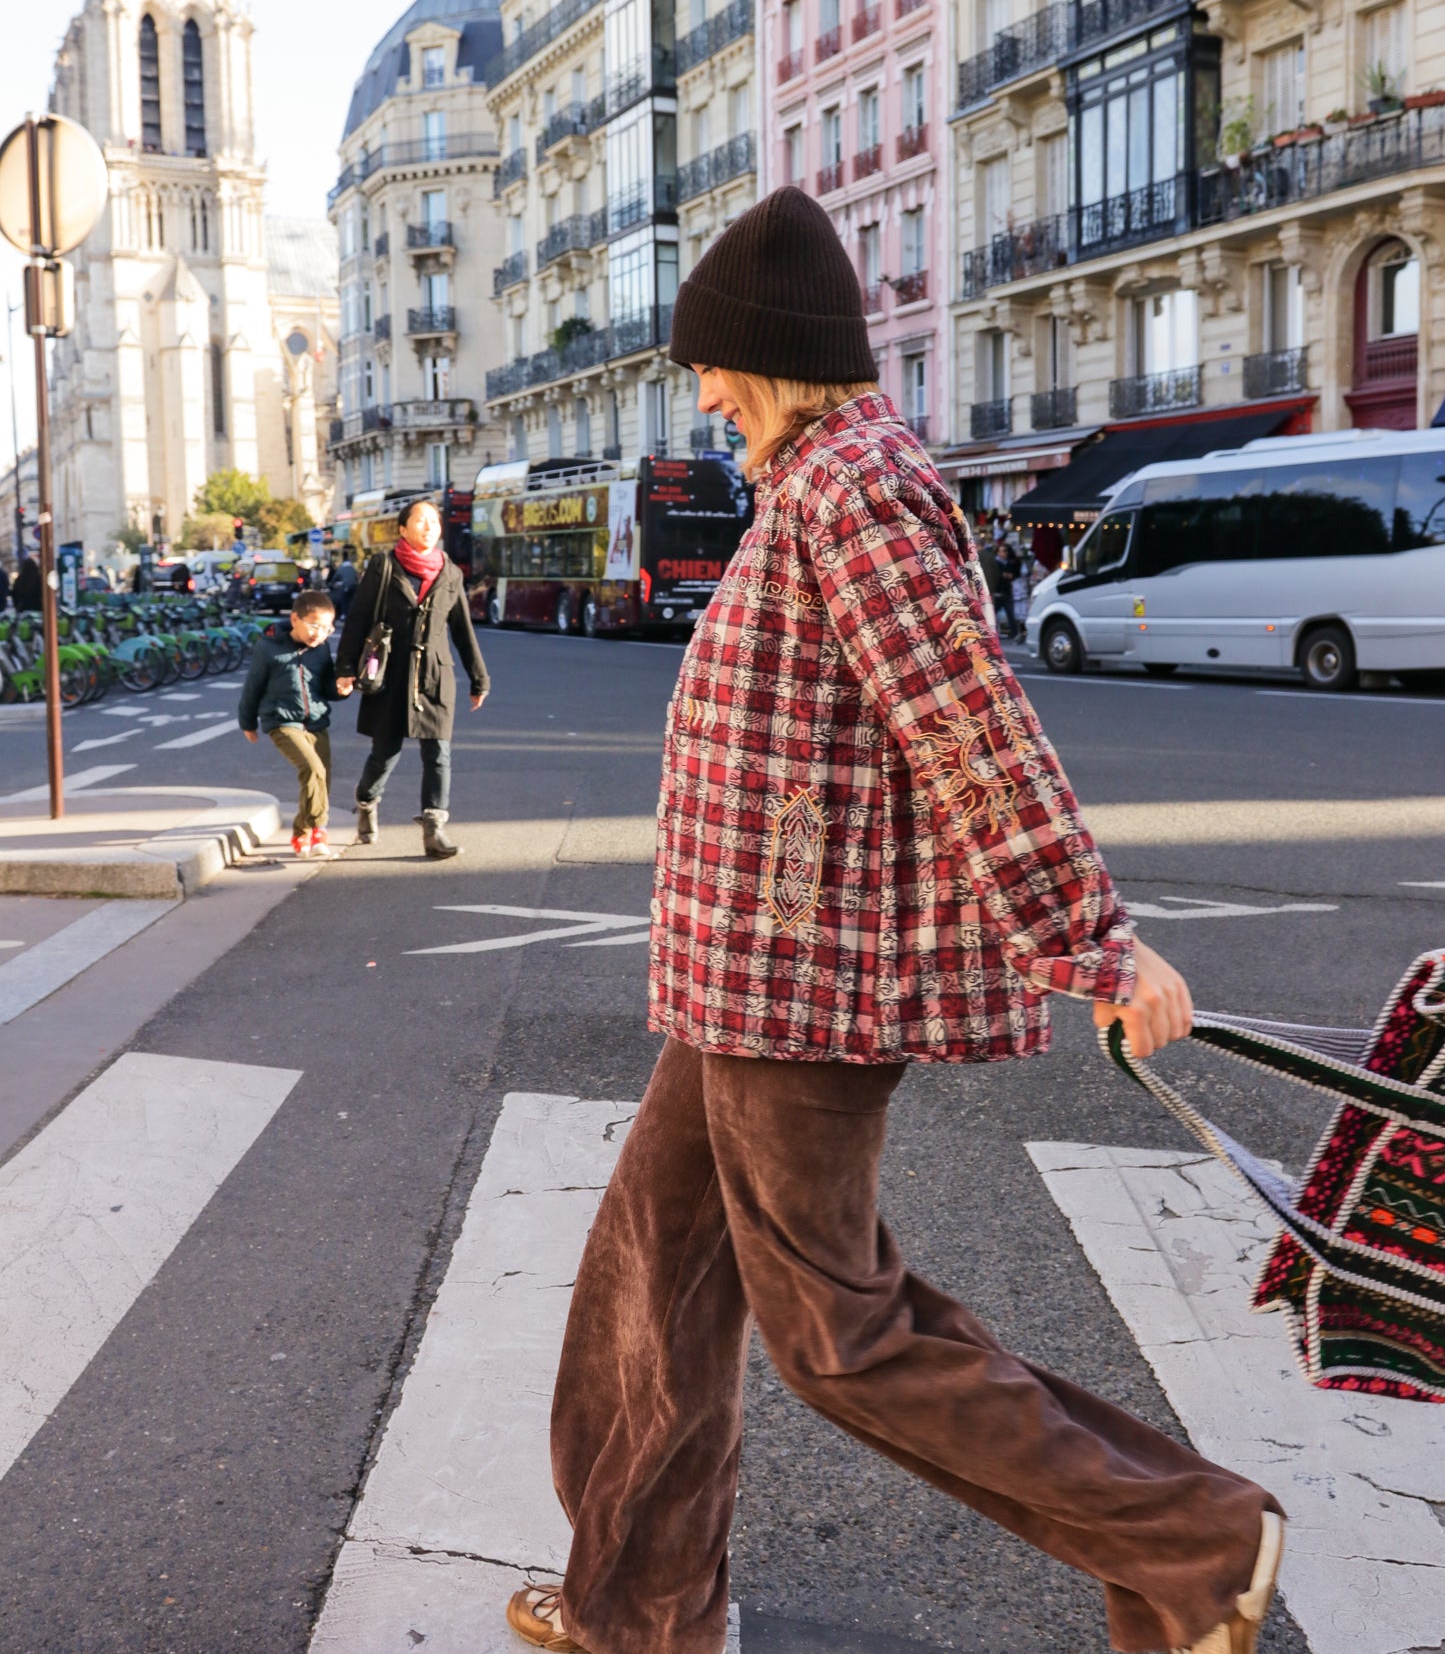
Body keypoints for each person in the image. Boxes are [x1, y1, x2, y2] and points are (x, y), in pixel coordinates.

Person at [506, 188, 1283, 1654]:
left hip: (800, 983)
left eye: (712, 365)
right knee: (652, 1290)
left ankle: (1196, 1537)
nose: (702, 393)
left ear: (771, 355)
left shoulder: (855, 486)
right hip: (741, 973)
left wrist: (1089, 938)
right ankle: (644, 1609)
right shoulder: (809, 481)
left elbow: (968, 726)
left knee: (838, 1335)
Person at [335, 498, 489, 859]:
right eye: (420, 521)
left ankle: (435, 830)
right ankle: (366, 802)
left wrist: (479, 678)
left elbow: (463, 630)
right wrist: (344, 670)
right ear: (402, 529)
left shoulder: (450, 571)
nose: (428, 527)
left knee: (438, 754)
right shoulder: (383, 567)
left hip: (435, 676)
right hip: (390, 675)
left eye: (434, 522)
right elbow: (357, 620)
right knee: (384, 754)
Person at [237, 589, 346, 858]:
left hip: (317, 721)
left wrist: (341, 688)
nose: (319, 634)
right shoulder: (268, 648)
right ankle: (306, 831)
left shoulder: (320, 649)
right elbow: (252, 687)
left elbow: (327, 687)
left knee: (322, 778)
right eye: (313, 626)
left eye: (326, 628)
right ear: (295, 618)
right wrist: (247, 722)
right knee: (312, 769)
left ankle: (314, 830)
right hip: (282, 721)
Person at [328, 552, 359, 622]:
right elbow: (356, 577)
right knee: (351, 600)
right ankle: (352, 614)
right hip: (354, 586)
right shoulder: (352, 568)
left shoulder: (341, 568)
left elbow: (335, 577)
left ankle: (343, 615)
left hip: (346, 587)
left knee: (344, 600)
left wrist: (330, 585)